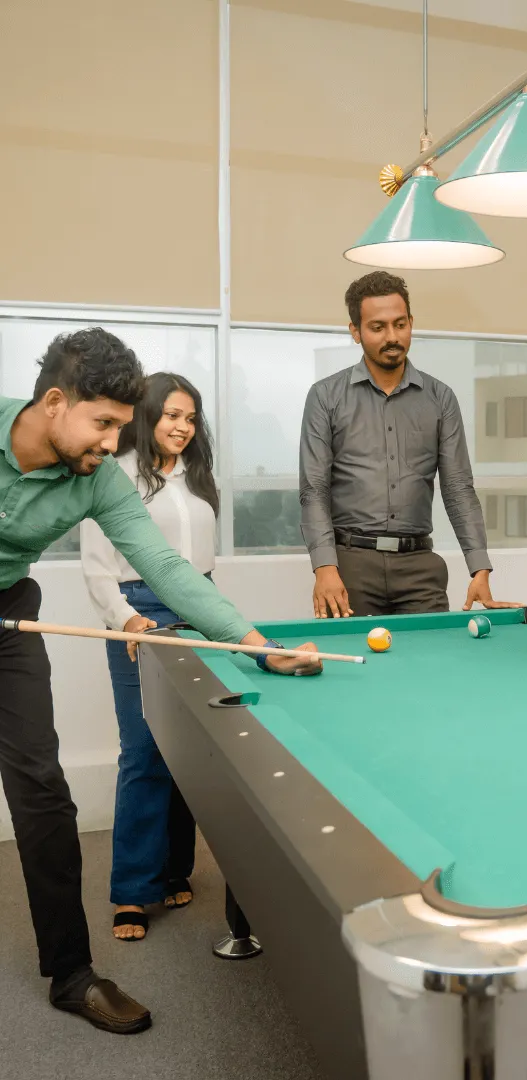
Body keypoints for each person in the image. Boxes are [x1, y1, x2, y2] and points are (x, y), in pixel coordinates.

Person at [0, 328, 321, 1035]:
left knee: (44, 794)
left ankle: (72, 975)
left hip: (7, 619)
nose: (115, 444)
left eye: (123, 425)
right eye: (105, 424)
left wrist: (256, 646)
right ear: (54, 403)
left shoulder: (99, 480)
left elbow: (167, 570)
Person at [80, 372, 217, 943]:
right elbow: (96, 564)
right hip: (139, 612)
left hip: (201, 614)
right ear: (148, 416)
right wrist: (126, 618)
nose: (181, 427)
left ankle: (171, 871)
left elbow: (203, 566)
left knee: (188, 750)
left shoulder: (198, 481)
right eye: (171, 416)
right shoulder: (114, 478)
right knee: (143, 751)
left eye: (190, 418)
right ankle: (133, 891)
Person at [299, 270, 518, 618]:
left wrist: (479, 568)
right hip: (351, 567)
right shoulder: (325, 397)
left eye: (400, 324)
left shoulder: (440, 398)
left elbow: (458, 488)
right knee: (356, 669)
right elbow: (314, 490)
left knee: (433, 668)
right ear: (355, 331)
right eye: (377, 327)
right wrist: (324, 568)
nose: (392, 337)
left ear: (411, 323)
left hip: (420, 568)